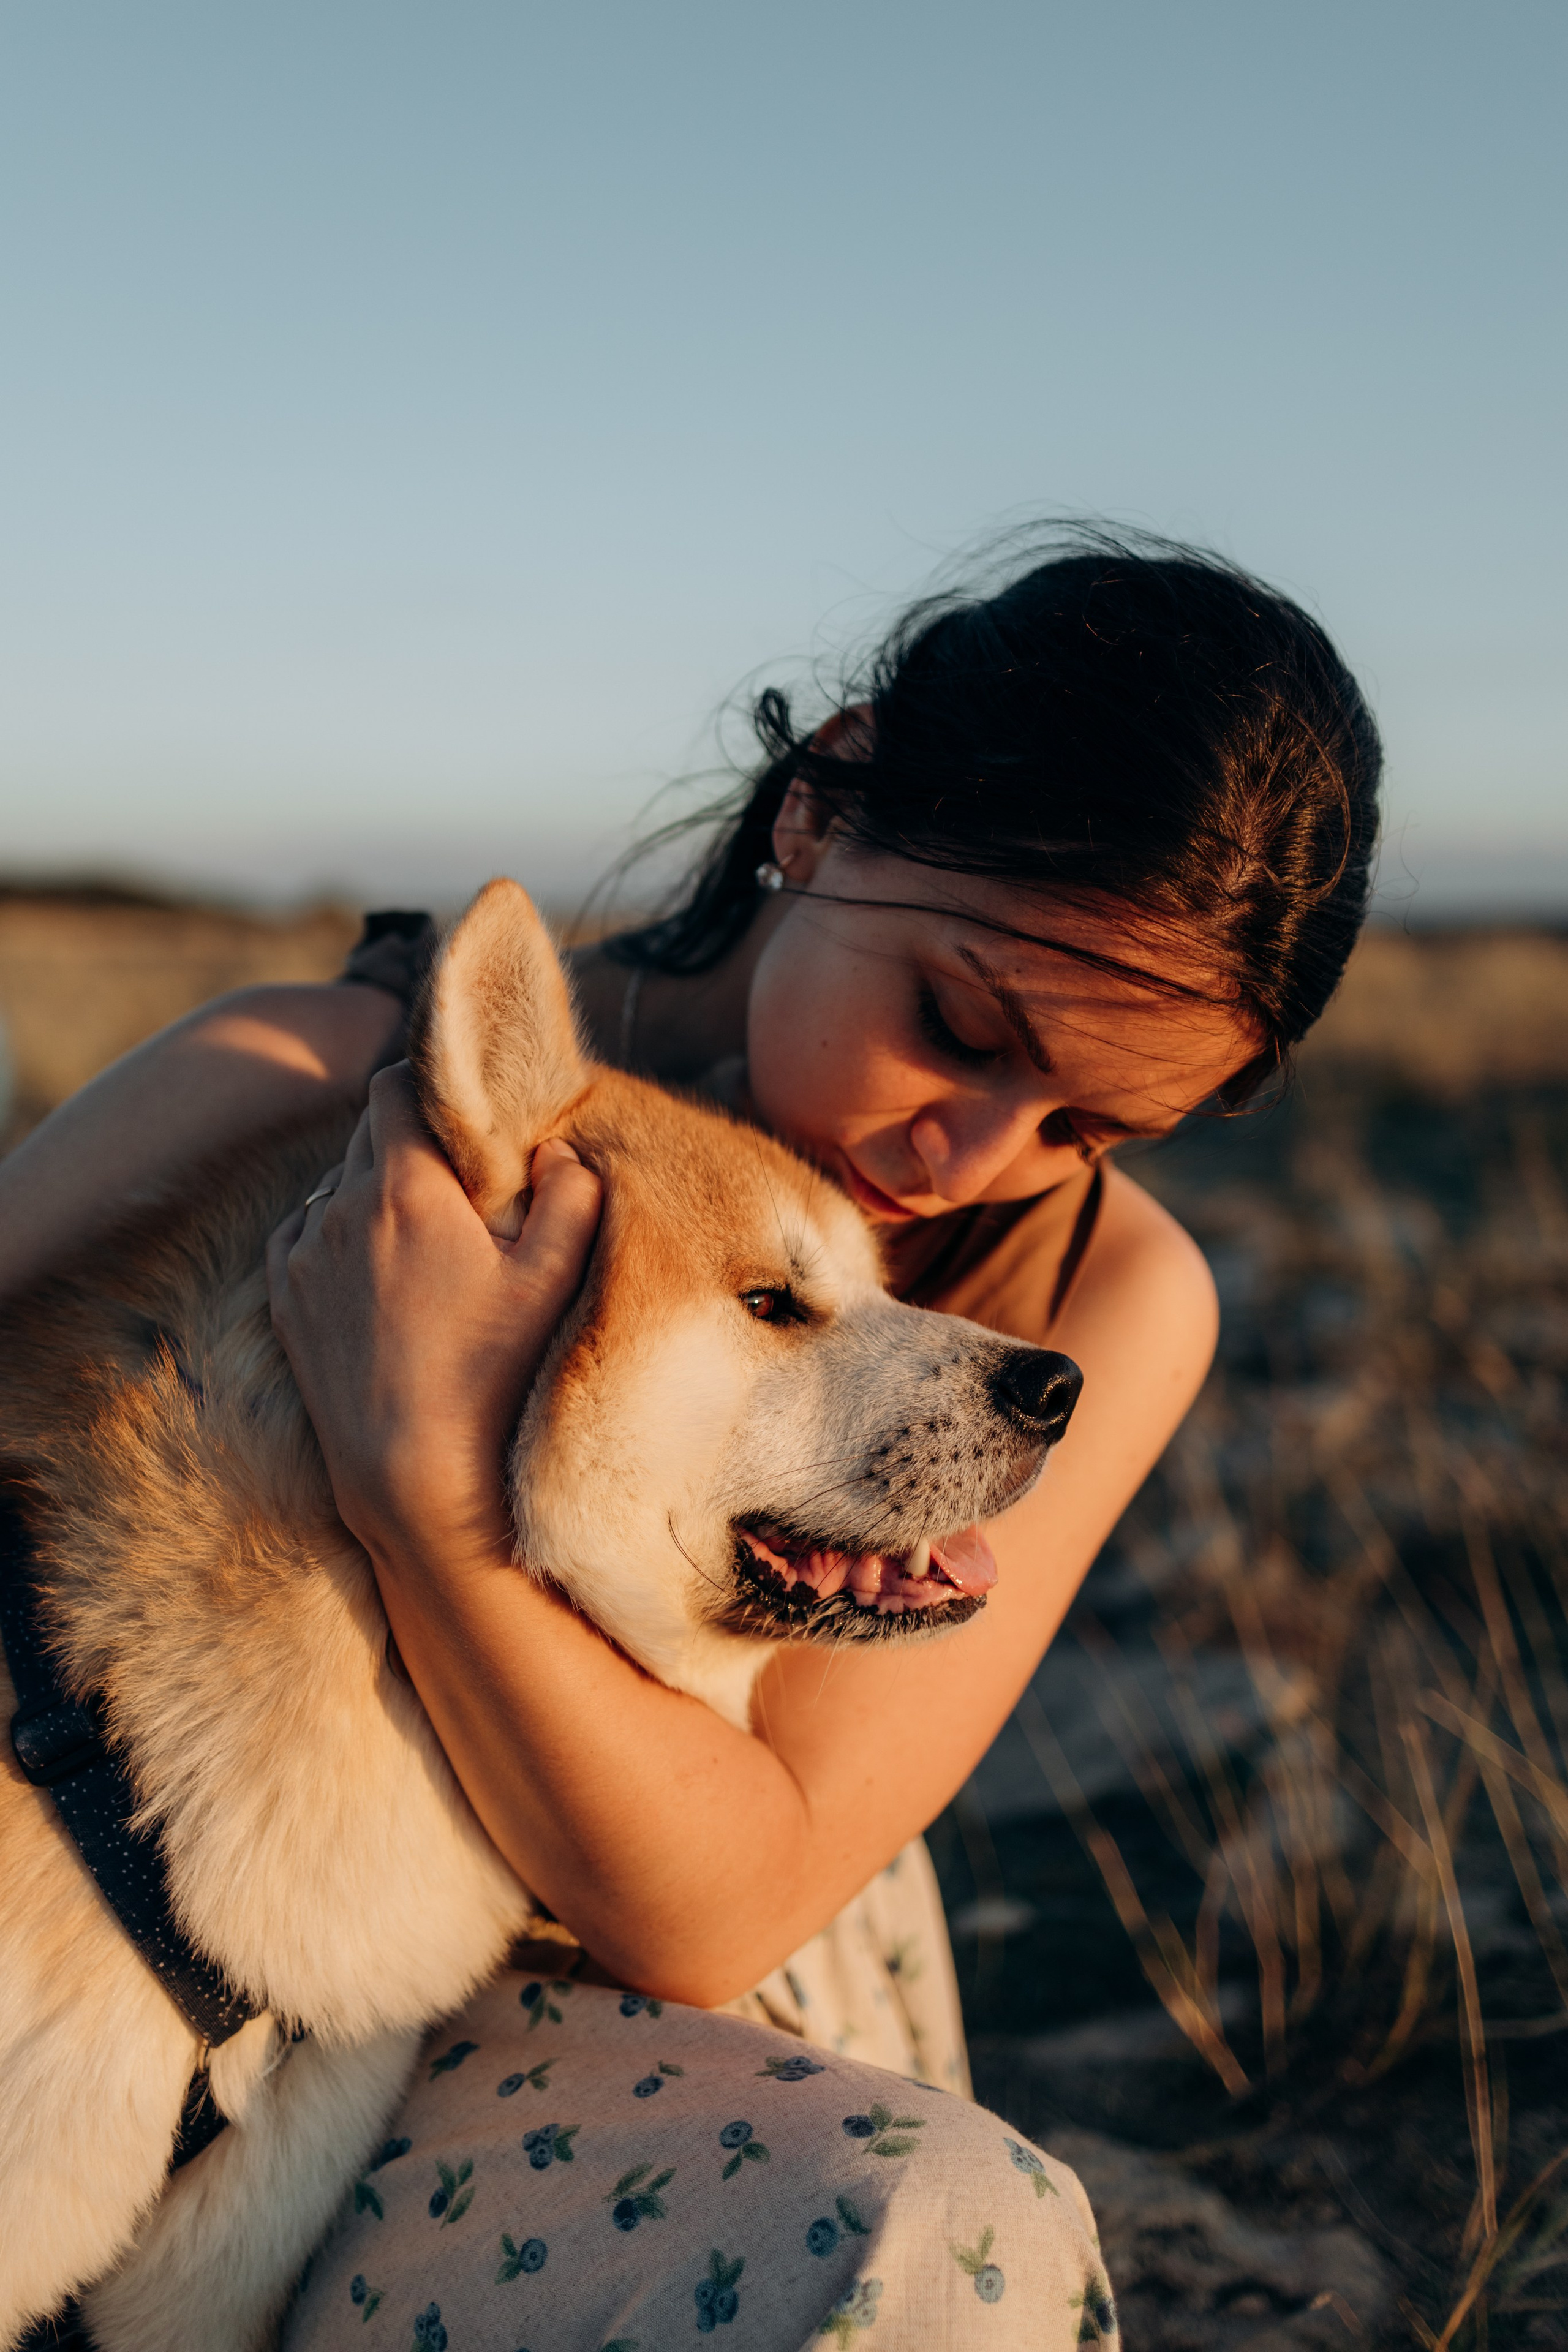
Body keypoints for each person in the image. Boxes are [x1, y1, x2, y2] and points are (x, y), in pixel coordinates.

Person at [0, 530, 1380, 2348]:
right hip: (131, 1880)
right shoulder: (313, 1074)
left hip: (610, 2014)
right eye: (959, 1025)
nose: (966, 1160)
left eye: (1090, 1128)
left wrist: (427, 1494)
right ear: (822, 808)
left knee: (929, 2246)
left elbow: (712, 1906)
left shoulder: (1096, 1298)